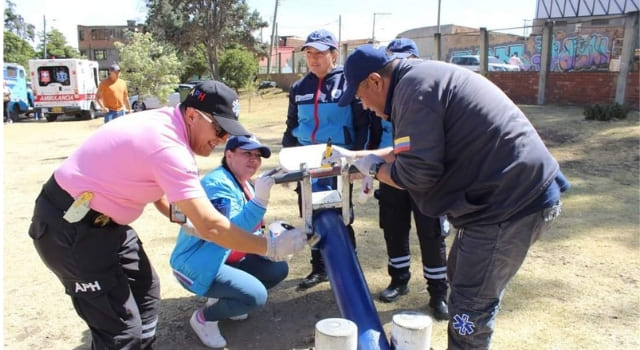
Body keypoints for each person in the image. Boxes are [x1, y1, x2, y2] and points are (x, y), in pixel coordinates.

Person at [28, 80, 307, 350]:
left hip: (109, 225)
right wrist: (269, 247)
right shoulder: (169, 147)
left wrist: (182, 220)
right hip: (71, 229)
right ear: (192, 115)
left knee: (146, 293)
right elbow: (212, 227)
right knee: (120, 331)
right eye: (220, 129)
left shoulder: (167, 124)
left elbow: (159, 190)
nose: (223, 139)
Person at [329, 44, 570, 349]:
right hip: (505, 199)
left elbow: (417, 173)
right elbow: (409, 152)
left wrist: (375, 169)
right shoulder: (418, 81)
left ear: (375, 81)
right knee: (464, 281)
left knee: (470, 306)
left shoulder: (412, 92)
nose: (362, 105)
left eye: (360, 95)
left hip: (508, 205)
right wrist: (359, 158)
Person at [171, 134, 289, 349]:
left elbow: (248, 231)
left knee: (277, 269)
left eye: (257, 155)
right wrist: (261, 200)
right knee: (255, 296)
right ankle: (204, 319)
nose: (254, 160)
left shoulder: (241, 182)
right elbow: (231, 231)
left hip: (223, 257)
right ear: (229, 155)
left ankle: (225, 300)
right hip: (195, 264)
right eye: (247, 154)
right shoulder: (218, 185)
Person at [362, 38, 448, 321]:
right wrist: (367, 167)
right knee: (393, 226)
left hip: (424, 173)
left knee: (431, 232)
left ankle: (438, 293)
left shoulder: (423, 93)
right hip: (389, 171)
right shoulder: (381, 92)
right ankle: (398, 279)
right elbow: (373, 135)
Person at [282, 29, 371, 291]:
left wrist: (357, 162)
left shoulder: (349, 83)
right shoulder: (299, 87)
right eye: (309, 53)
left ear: (333, 54)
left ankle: (348, 270)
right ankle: (319, 268)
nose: (313, 59)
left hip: (338, 162)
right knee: (311, 216)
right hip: (305, 163)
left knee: (340, 215)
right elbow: (291, 126)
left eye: (319, 53)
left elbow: (363, 124)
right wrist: (286, 162)